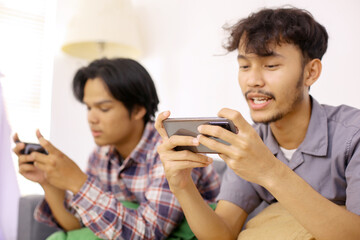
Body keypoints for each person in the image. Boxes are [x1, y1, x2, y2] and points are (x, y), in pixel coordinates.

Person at [155, 7, 360, 240]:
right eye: (244, 66)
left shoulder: (353, 135)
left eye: (271, 66)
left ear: (310, 72)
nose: (252, 80)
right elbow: (222, 234)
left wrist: (269, 170)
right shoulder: (249, 141)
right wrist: (182, 186)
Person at [13, 58, 220, 240]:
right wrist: (48, 182)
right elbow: (87, 228)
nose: (92, 118)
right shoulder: (100, 156)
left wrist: (78, 183)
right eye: (89, 107)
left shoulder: (171, 150)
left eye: (104, 108)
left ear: (138, 109)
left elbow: (149, 233)